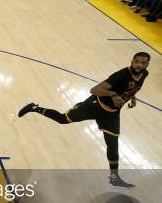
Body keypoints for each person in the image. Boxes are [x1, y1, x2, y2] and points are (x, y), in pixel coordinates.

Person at [18, 52, 151, 188]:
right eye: (137, 61)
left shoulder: (144, 74)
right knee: (63, 119)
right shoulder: (121, 75)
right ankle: (35, 108)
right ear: (132, 61)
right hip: (94, 106)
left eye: (143, 63)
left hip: (111, 114)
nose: (139, 65)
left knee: (113, 145)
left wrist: (132, 97)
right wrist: (113, 94)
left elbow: (133, 87)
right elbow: (94, 89)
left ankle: (114, 178)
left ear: (147, 65)